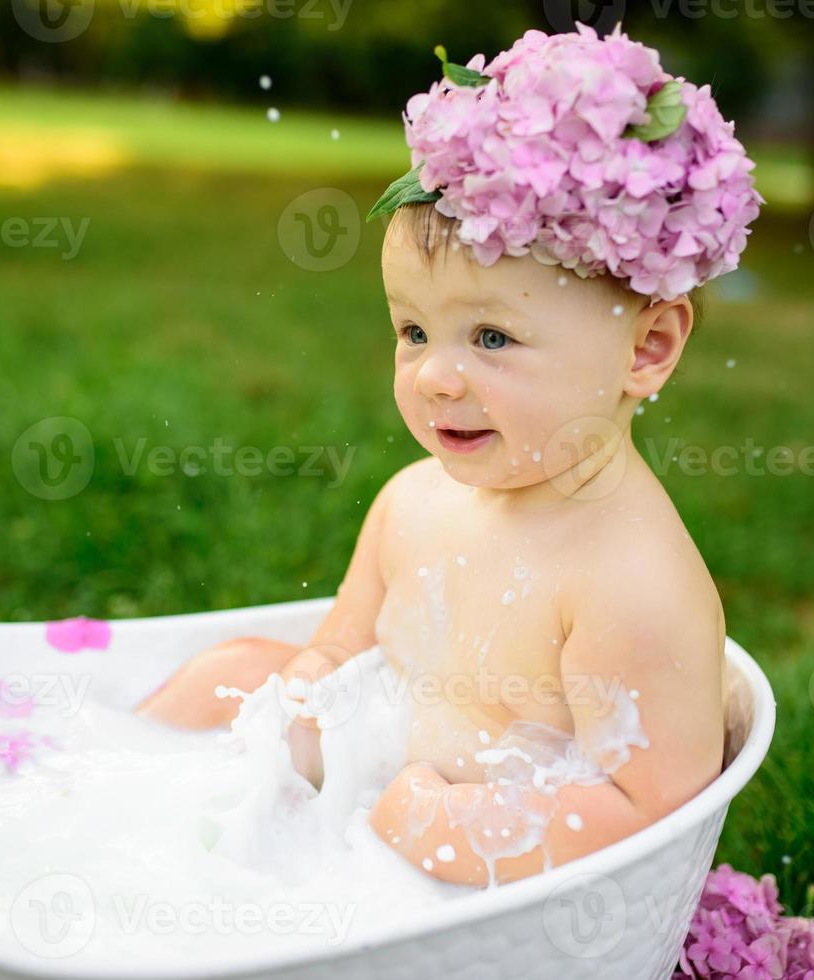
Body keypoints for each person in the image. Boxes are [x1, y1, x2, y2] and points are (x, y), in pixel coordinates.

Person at [139, 22, 763, 888]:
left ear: (647, 348)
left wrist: (440, 830)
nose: (434, 374)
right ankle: (106, 795)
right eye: (414, 330)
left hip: (465, 873)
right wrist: (295, 705)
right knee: (233, 675)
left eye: (493, 336)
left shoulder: (633, 587)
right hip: (374, 779)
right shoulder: (411, 502)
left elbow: (653, 819)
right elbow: (342, 656)